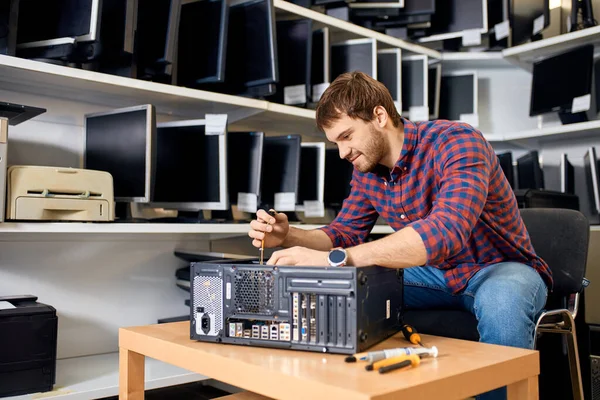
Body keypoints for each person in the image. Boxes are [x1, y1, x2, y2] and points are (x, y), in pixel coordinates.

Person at [248, 71, 550, 399]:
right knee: (345, 289)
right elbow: (344, 232)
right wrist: (290, 236)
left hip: (498, 267)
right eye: (336, 142)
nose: (342, 152)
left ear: (379, 116)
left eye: (347, 136)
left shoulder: (456, 141)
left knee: (503, 304)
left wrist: (337, 260)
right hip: (435, 276)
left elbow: (443, 233)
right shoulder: (367, 172)